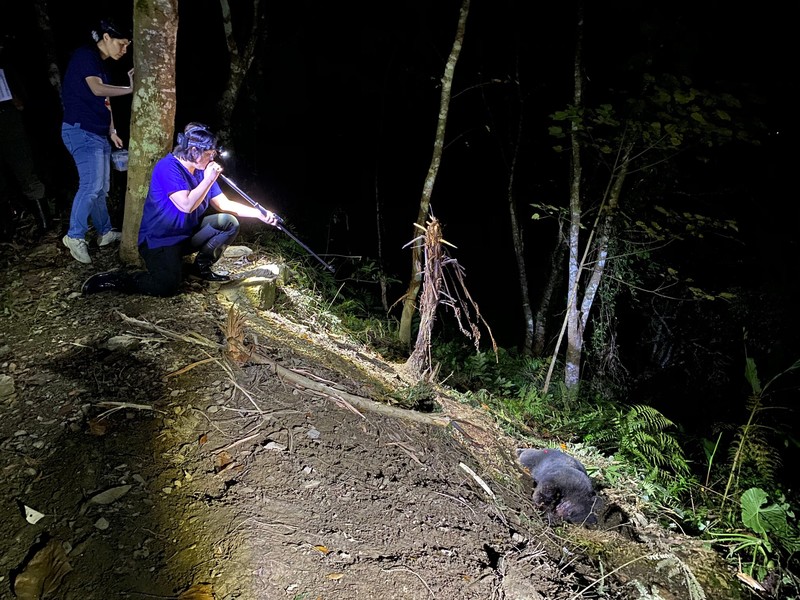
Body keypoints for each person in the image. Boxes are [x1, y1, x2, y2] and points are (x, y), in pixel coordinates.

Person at [81, 122, 280, 296]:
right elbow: (185, 205)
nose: (213, 159)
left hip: (186, 235)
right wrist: (209, 179)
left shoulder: (202, 170)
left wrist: (260, 214)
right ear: (194, 151)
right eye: (209, 154)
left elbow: (224, 204)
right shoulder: (168, 167)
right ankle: (120, 279)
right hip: (159, 240)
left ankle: (201, 267)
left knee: (228, 222)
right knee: (166, 286)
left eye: (214, 154)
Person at [60, 17, 134, 264]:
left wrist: (113, 130)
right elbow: (97, 89)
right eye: (121, 44)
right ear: (106, 38)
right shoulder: (86, 56)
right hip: (80, 130)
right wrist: (130, 88)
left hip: (98, 132)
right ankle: (74, 236)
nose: (124, 50)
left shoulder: (102, 64)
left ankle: (105, 232)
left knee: (101, 188)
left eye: (127, 46)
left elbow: (105, 102)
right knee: (91, 186)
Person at [0, 32, 52, 237]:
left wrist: (16, 100)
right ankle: (6, 228)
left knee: (25, 169)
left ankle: (45, 223)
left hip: (8, 119)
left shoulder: (7, 66)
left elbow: (22, 99)